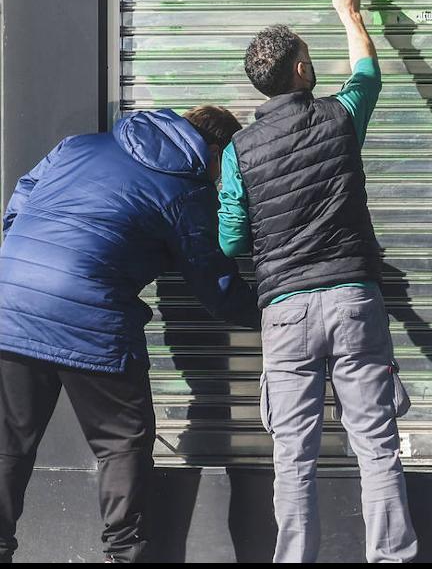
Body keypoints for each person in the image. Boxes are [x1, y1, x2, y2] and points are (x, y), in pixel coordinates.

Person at [218, 0, 418, 562]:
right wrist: (348, 13)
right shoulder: (338, 118)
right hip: (354, 301)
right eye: (309, 55)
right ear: (301, 72)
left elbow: (231, 237)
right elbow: (368, 73)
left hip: (285, 312)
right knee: (377, 447)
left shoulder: (237, 151)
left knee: (293, 459)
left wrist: (275, 258)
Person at [0, 105, 258, 563]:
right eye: (227, 166)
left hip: (11, 303)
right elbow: (212, 283)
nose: (223, 179)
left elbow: (23, 192)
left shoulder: (79, 146)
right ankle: (125, 556)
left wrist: (25, 253)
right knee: (122, 445)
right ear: (214, 151)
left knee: (9, 444)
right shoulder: (187, 191)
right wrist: (272, 313)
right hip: (92, 319)